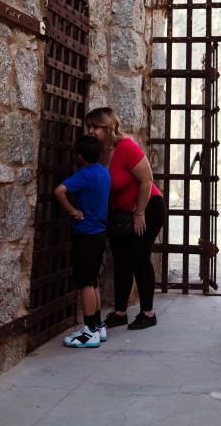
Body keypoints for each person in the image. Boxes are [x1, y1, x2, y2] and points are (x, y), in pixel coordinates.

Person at [85, 107, 166, 331]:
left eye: (96, 127)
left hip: (148, 208)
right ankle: (120, 313)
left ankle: (148, 313)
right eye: (89, 126)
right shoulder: (96, 152)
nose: (91, 131)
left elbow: (147, 179)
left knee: (139, 257)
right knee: (121, 262)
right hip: (120, 216)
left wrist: (139, 212)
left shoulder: (126, 147)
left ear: (109, 128)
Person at [54, 134, 110, 348]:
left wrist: (72, 210)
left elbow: (59, 191)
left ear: (79, 155)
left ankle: (88, 332)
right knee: (93, 280)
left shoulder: (84, 175)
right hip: (99, 233)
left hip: (85, 233)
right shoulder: (104, 173)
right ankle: (97, 326)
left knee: (85, 283)